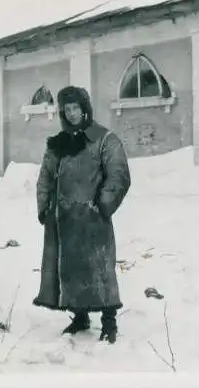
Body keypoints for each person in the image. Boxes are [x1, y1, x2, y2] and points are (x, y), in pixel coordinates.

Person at [33, 85, 131, 344]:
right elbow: (44, 177)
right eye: (68, 109)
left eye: (77, 108)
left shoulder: (105, 139)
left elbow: (119, 176)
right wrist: (44, 206)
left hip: (92, 220)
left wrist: (101, 205)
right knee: (71, 269)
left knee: (100, 269)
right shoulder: (59, 144)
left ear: (85, 109)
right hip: (64, 221)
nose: (73, 113)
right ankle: (80, 317)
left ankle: (109, 322)